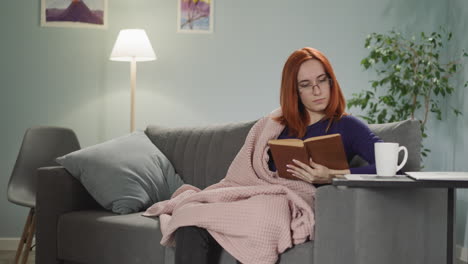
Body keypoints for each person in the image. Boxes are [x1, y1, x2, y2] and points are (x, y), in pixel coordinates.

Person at [173, 47, 381, 264]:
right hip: (256, 194)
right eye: (306, 85)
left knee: (261, 219)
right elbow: (251, 170)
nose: (317, 90)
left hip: (292, 202)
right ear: (295, 91)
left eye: (322, 80)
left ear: (331, 81)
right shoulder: (277, 125)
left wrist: (334, 175)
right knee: (190, 219)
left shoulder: (347, 126)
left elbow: (392, 166)